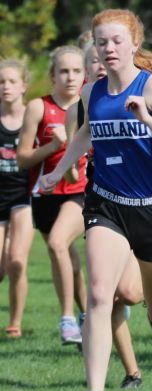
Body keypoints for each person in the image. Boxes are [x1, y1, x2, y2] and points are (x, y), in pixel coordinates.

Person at [39, 8, 152, 391]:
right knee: (98, 296)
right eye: (101, 42)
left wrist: (147, 118)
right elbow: (87, 132)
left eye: (116, 41)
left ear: (134, 44)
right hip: (106, 205)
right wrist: (59, 170)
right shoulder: (92, 93)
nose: (108, 49)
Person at [65, 43, 145, 388]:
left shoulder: (140, 92)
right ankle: (127, 375)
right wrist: (64, 162)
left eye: (103, 60)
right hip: (102, 203)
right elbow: (73, 167)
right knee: (103, 294)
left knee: (132, 294)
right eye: (93, 62)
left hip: (146, 204)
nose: (100, 66)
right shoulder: (82, 106)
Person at [17, 46, 88, 346]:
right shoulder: (38, 108)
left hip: (82, 192)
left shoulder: (90, 105)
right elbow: (22, 159)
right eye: (64, 71)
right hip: (46, 194)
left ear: (85, 75)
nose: (70, 77)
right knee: (67, 260)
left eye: (76, 71)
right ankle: (89, 314)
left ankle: (67, 319)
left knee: (59, 244)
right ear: (53, 75)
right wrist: (52, 147)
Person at [0, 59, 34, 338]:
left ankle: (15, 323)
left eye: (12, 81)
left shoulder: (31, 117)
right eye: (1, 82)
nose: (6, 87)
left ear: (24, 85)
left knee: (17, 261)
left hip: (24, 197)